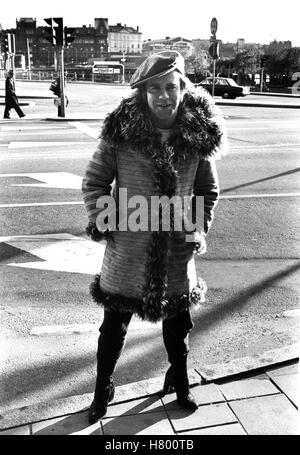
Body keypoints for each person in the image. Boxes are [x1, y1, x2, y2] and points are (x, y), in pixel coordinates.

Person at [82, 51, 227, 424]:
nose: (164, 96)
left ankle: (178, 380)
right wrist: (105, 219)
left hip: (177, 251)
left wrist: (197, 227)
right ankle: (103, 389)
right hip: (128, 252)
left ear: (182, 88)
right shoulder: (121, 135)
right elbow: (95, 181)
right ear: (143, 94)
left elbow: (206, 190)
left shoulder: (197, 137)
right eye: (155, 89)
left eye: (171, 87)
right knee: (113, 329)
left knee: (178, 328)